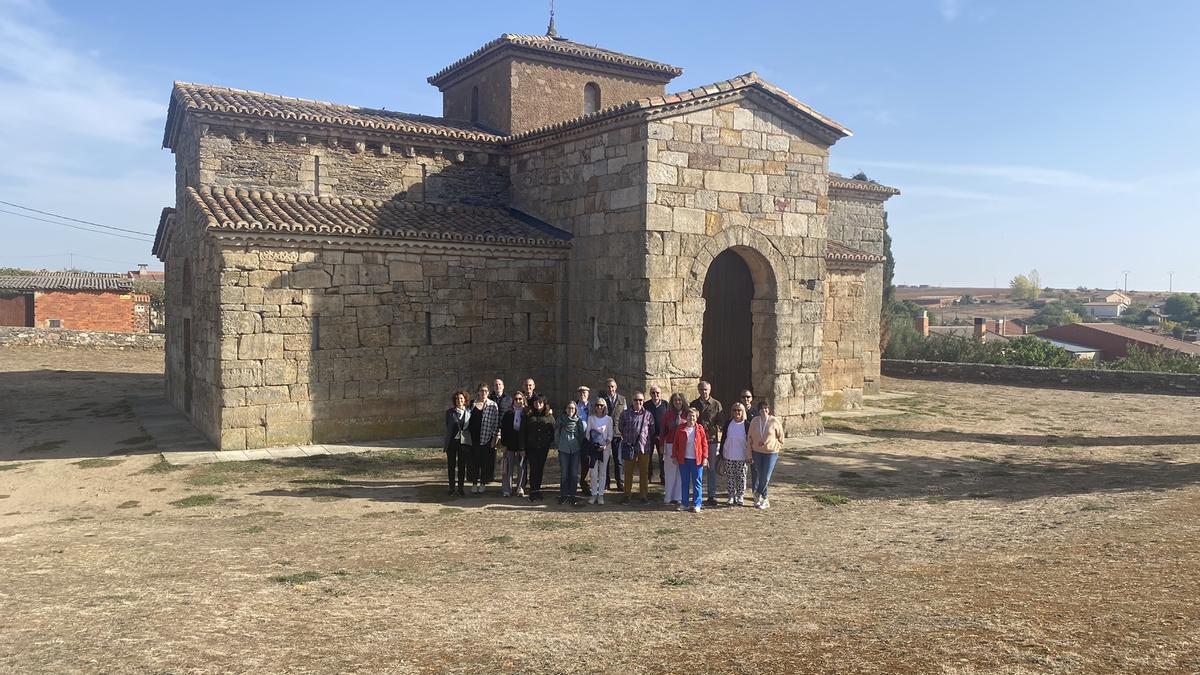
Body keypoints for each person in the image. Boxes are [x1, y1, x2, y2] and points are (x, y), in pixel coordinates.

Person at [618, 390, 655, 504]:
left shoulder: (648, 415)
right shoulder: (625, 414)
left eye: (640, 400)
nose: (638, 402)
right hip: (630, 447)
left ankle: (643, 495)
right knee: (628, 472)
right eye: (636, 400)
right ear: (632, 401)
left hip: (644, 447)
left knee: (644, 473)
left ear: (643, 401)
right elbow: (621, 427)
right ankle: (627, 495)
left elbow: (652, 430)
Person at [670, 407, 709, 513]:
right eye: (689, 415)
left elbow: (704, 444)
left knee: (697, 482)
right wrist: (674, 456)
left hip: (697, 460)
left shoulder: (700, 429)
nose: (691, 418)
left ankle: (697, 504)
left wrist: (705, 457)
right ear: (685, 417)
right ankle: (685, 503)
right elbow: (675, 444)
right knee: (685, 482)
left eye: (693, 416)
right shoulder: (680, 428)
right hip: (684, 460)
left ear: (696, 417)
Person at [691, 381, 723, 506]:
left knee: (711, 468)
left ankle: (711, 495)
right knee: (696, 468)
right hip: (696, 441)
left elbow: (721, 422)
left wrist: (713, 430)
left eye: (706, 390)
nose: (704, 392)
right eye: (702, 389)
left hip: (711, 441)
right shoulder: (694, 404)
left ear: (709, 390)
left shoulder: (716, 404)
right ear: (698, 390)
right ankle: (695, 493)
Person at [749, 399, 785, 509]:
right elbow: (749, 438)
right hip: (757, 452)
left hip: (771, 453)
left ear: (768, 410)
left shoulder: (774, 421)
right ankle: (765, 499)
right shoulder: (755, 421)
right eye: (761, 408)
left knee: (765, 477)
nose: (763, 410)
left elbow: (781, 437)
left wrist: (776, 446)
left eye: (766, 408)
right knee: (761, 476)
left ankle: (757, 493)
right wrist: (749, 453)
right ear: (758, 410)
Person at [520, 394, 555, 502]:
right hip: (531, 447)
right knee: (534, 468)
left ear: (544, 404)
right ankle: (533, 490)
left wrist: (548, 442)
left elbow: (552, 430)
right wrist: (522, 448)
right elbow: (523, 432)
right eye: (536, 402)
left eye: (540, 402)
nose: (538, 404)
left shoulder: (548, 416)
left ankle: (538, 489)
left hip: (543, 447)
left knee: (540, 469)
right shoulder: (528, 415)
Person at [467, 382, 500, 494]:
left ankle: (483, 482)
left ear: (488, 392)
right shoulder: (472, 404)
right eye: (481, 390)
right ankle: (474, 482)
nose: (484, 393)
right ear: (478, 392)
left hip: (487, 437)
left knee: (485, 462)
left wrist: (495, 437)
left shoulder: (493, 405)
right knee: (474, 461)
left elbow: (496, 423)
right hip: (473, 438)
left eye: (486, 391)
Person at [720, 402, 752, 506]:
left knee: (741, 477)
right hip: (729, 455)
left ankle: (740, 496)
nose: (737, 412)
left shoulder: (747, 424)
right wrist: (721, 453)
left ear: (743, 412)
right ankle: (731, 496)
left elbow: (750, 440)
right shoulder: (728, 423)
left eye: (739, 410)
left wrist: (750, 455)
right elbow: (724, 438)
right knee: (730, 477)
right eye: (735, 410)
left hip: (742, 456)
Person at [555, 401, 586, 505]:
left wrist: (579, 445)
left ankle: (572, 494)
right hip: (563, 449)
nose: (571, 410)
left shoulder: (579, 421)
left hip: (575, 450)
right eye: (569, 408)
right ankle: (564, 494)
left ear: (576, 410)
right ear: (565, 409)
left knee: (573, 473)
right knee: (564, 473)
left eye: (573, 408)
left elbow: (581, 435)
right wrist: (558, 444)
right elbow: (557, 433)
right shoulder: (561, 419)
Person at [659, 392, 687, 505]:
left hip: (683, 446)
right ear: (672, 402)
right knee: (670, 472)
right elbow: (662, 432)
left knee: (680, 472)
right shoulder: (667, 415)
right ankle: (668, 496)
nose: (677, 402)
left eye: (679, 400)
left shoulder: (686, 414)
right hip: (670, 444)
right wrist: (661, 445)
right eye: (675, 400)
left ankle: (678, 496)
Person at [600, 378, 627, 491]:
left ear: (616, 387)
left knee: (618, 460)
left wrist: (623, 432)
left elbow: (625, 416)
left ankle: (620, 482)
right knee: (605, 460)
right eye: (608, 387)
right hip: (605, 434)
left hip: (617, 434)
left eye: (612, 386)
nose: (610, 389)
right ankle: (606, 483)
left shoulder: (622, 399)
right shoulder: (602, 400)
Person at [586, 398, 614, 505]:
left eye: (601, 405)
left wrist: (604, 445)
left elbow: (610, 435)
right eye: (597, 405)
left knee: (602, 472)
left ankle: (601, 494)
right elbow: (587, 434)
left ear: (604, 407)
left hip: (604, 449)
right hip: (593, 449)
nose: (599, 407)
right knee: (593, 472)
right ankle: (593, 493)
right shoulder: (591, 419)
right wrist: (593, 444)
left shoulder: (609, 419)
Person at [443, 390, 471, 496]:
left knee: (462, 465)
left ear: (465, 400)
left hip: (463, 443)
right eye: (457, 399)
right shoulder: (450, 412)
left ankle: (460, 488)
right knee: (451, 465)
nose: (459, 401)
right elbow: (448, 426)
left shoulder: (469, 412)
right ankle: (451, 488)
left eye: (461, 399)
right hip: (452, 443)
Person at [499, 391, 528, 497]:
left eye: (520, 399)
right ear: (513, 401)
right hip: (509, 445)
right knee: (508, 468)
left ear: (523, 400)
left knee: (521, 467)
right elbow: (504, 430)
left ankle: (520, 488)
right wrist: (503, 444)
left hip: (522, 446)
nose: (518, 401)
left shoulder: (526, 414)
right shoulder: (508, 414)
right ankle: (507, 489)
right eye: (516, 399)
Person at [492, 378, 515, 489]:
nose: (498, 386)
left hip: (504, 431)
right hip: (492, 431)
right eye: (496, 385)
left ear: (503, 386)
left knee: (505, 456)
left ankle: (504, 478)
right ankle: (490, 476)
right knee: (491, 455)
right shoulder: (489, 398)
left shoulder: (508, 399)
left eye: (500, 384)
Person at [645, 386, 669, 485]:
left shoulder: (665, 405)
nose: (656, 395)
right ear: (650, 394)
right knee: (648, 458)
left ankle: (663, 478)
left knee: (662, 458)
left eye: (657, 393)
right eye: (653, 393)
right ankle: (648, 477)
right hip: (648, 436)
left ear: (660, 393)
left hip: (662, 436)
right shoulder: (646, 405)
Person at [575, 385, 592, 494]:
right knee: (574, 462)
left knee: (586, 462)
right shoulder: (574, 406)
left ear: (588, 394)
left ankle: (585, 485)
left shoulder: (593, 406)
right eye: (580, 393)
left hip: (588, 438)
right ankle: (572, 485)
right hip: (576, 438)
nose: (582, 394)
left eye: (584, 393)